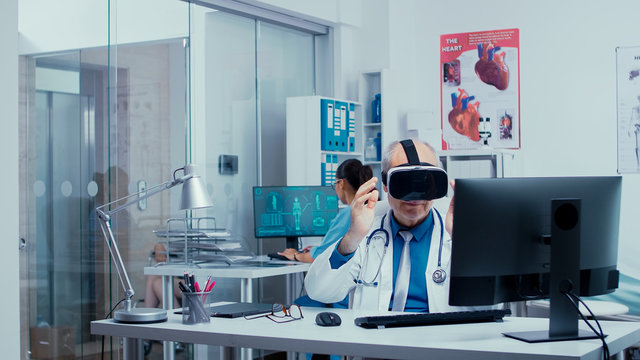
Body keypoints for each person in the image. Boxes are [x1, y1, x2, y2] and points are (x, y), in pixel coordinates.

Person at [304, 139, 459, 313]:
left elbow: (491, 306)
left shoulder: (455, 235)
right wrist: (352, 238)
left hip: (437, 336)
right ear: (385, 185)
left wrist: (466, 245)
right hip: (376, 337)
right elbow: (319, 292)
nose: (415, 196)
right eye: (403, 182)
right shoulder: (366, 237)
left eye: (424, 182)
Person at [277, 158, 374, 263]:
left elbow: (321, 256)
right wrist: (317, 249)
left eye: (335, 184)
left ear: (341, 183)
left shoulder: (348, 213)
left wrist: (296, 255)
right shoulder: (370, 208)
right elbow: (334, 248)